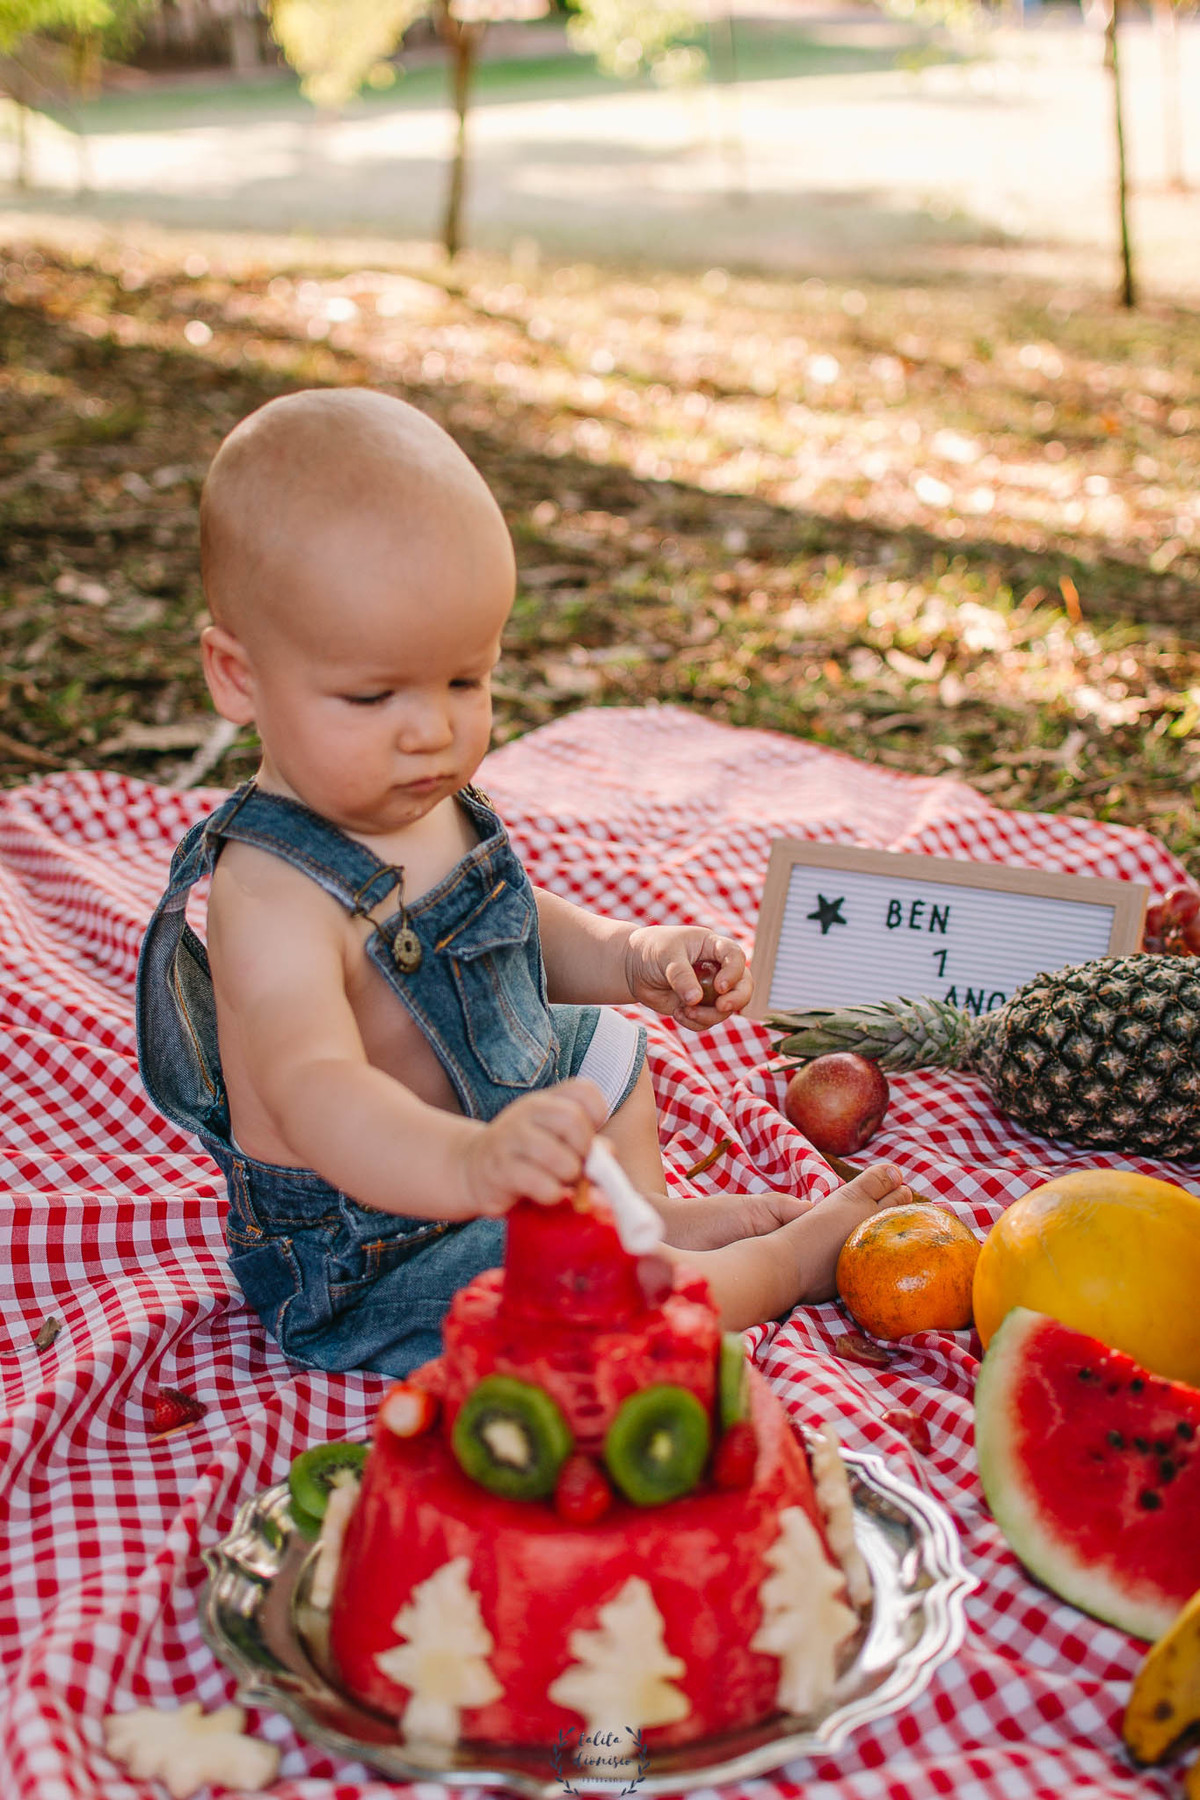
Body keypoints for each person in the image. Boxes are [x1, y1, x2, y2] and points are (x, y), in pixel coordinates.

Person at [136, 387, 909, 1376]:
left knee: (603, 1047)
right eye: (371, 695)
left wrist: (630, 957)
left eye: (465, 680)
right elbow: (318, 1092)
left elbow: (500, 930)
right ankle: (780, 1266)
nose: (432, 729)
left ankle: (646, 1214)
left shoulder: (415, 796)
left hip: (494, 1145)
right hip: (370, 1249)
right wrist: (469, 1168)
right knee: (594, 1296)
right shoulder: (271, 894)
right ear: (238, 676)